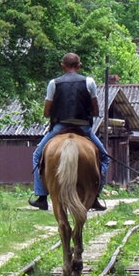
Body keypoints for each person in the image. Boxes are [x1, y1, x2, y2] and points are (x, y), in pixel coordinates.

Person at [29, 52, 111, 211]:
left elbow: (46, 112)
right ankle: (94, 197)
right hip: (83, 128)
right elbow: (95, 111)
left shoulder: (54, 83)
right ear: (79, 66)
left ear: (63, 65)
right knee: (104, 157)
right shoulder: (89, 81)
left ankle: (41, 197)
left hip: (60, 127)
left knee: (37, 155)